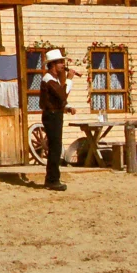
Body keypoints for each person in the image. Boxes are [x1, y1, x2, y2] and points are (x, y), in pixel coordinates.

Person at [39, 48, 78, 191]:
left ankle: (52, 178)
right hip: (52, 116)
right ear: (53, 64)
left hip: (55, 114)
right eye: (60, 62)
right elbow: (62, 95)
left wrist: (67, 108)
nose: (63, 65)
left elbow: (57, 100)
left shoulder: (53, 79)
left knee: (56, 147)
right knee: (55, 148)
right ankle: (52, 180)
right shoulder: (49, 79)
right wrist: (69, 79)